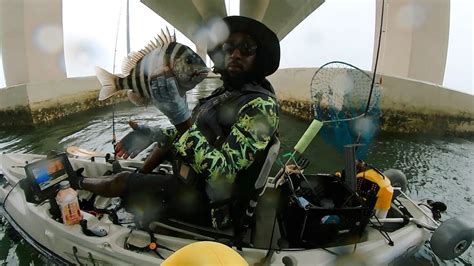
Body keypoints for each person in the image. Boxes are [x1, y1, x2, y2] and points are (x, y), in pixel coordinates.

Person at [75, 16, 280, 229]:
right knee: (164, 146)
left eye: (247, 48)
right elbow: (197, 132)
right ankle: (139, 180)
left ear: (259, 57)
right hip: (195, 181)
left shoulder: (260, 106)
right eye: (229, 47)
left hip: (213, 206)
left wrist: (180, 119)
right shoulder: (227, 93)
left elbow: (224, 174)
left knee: (121, 180)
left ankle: (78, 182)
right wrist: (154, 133)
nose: (236, 54)